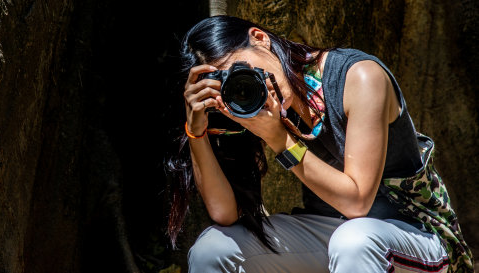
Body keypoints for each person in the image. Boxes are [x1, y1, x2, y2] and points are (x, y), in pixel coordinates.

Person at [166, 15, 473, 273]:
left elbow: (357, 203)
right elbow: (225, 214)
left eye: (240, 69)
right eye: (229, 83)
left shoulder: (360, 77)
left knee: (354, 240)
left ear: (259, 38)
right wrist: (197, 131)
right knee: (212, 249)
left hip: (414, 234)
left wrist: (279, 139)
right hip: (335, 232)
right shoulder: (241, 107)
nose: (243, 84)